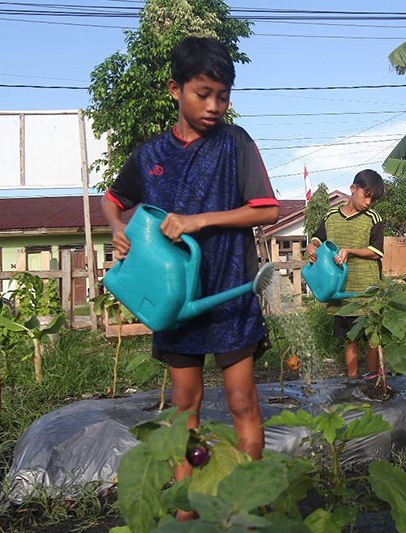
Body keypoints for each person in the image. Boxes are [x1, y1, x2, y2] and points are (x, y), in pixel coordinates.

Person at [101, 36, 279, 516]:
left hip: (229, 289)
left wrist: (199, 220)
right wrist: (118, 230)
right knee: (184, 406)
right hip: (176, 300)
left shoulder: (235, 143)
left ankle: (246, 508)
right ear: (174, 89)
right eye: (203, 93)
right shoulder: (150, 153)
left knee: (243, 400)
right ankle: (186, 510)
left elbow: (265, 208)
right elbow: (114, 200)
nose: (215, 105)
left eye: (223, 95)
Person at [305, 169, 385, 379]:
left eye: (373, 199)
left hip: (366, 289)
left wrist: (350, 250)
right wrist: (311, 247)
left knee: (371, 338)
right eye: (366, 195)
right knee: (350, 338)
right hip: (339, 289)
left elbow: (376, 252)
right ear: (353, 188)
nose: (369, 202)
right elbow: (317, 239)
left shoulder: (373, 218)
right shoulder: (330, 217)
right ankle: (352, 381)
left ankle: (373, 378)